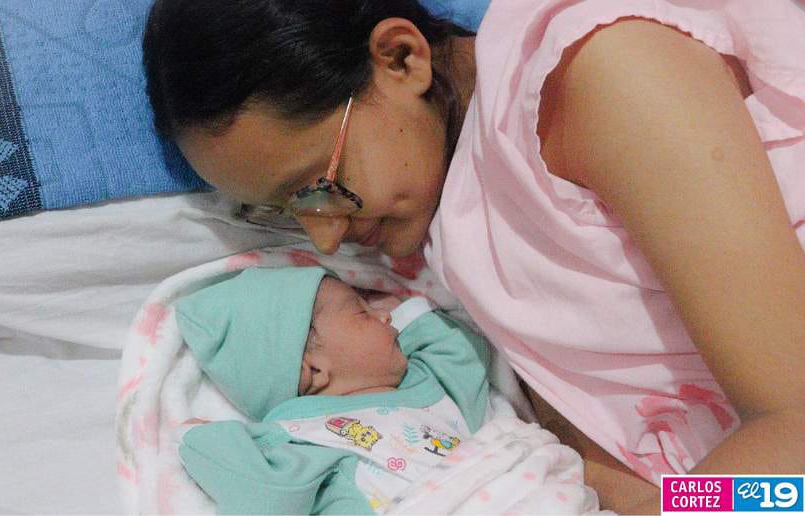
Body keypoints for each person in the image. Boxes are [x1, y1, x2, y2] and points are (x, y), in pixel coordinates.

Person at [143, 1, 805, 512]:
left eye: (317, 187)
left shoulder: (605, 71)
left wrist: (696, 503)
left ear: (400, 59)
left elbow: (794, 436)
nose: (324, 239)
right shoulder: (450, 240)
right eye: (281, 214)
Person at [173, 266, 491, 514]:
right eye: (363, 312)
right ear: (313, 370)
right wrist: (202, 441)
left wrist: (408, 314)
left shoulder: (425, 387)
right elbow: (266, 497)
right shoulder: (300, 436)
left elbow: (464, 352)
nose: (385, 316)